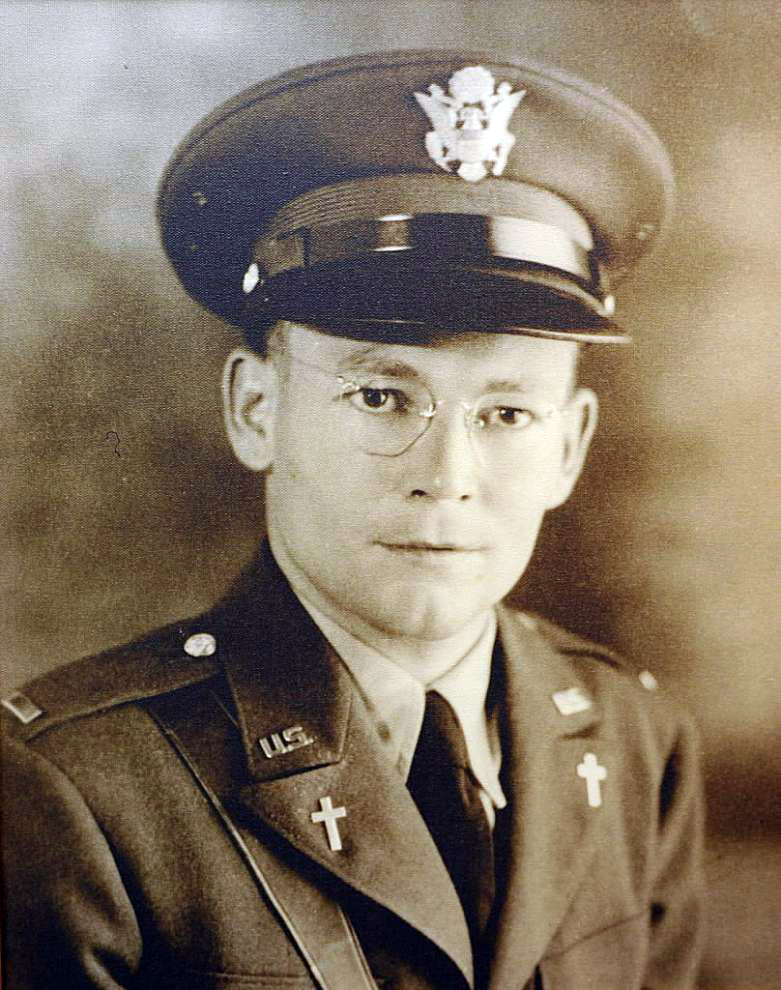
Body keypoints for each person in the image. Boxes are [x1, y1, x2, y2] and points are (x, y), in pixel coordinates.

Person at [1, 51, 704, 989]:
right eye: (381, 397)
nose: (446, 478)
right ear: (257, 410)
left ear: (568, 447)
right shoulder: (82, 793)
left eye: (506, 414)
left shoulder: (632, 738)